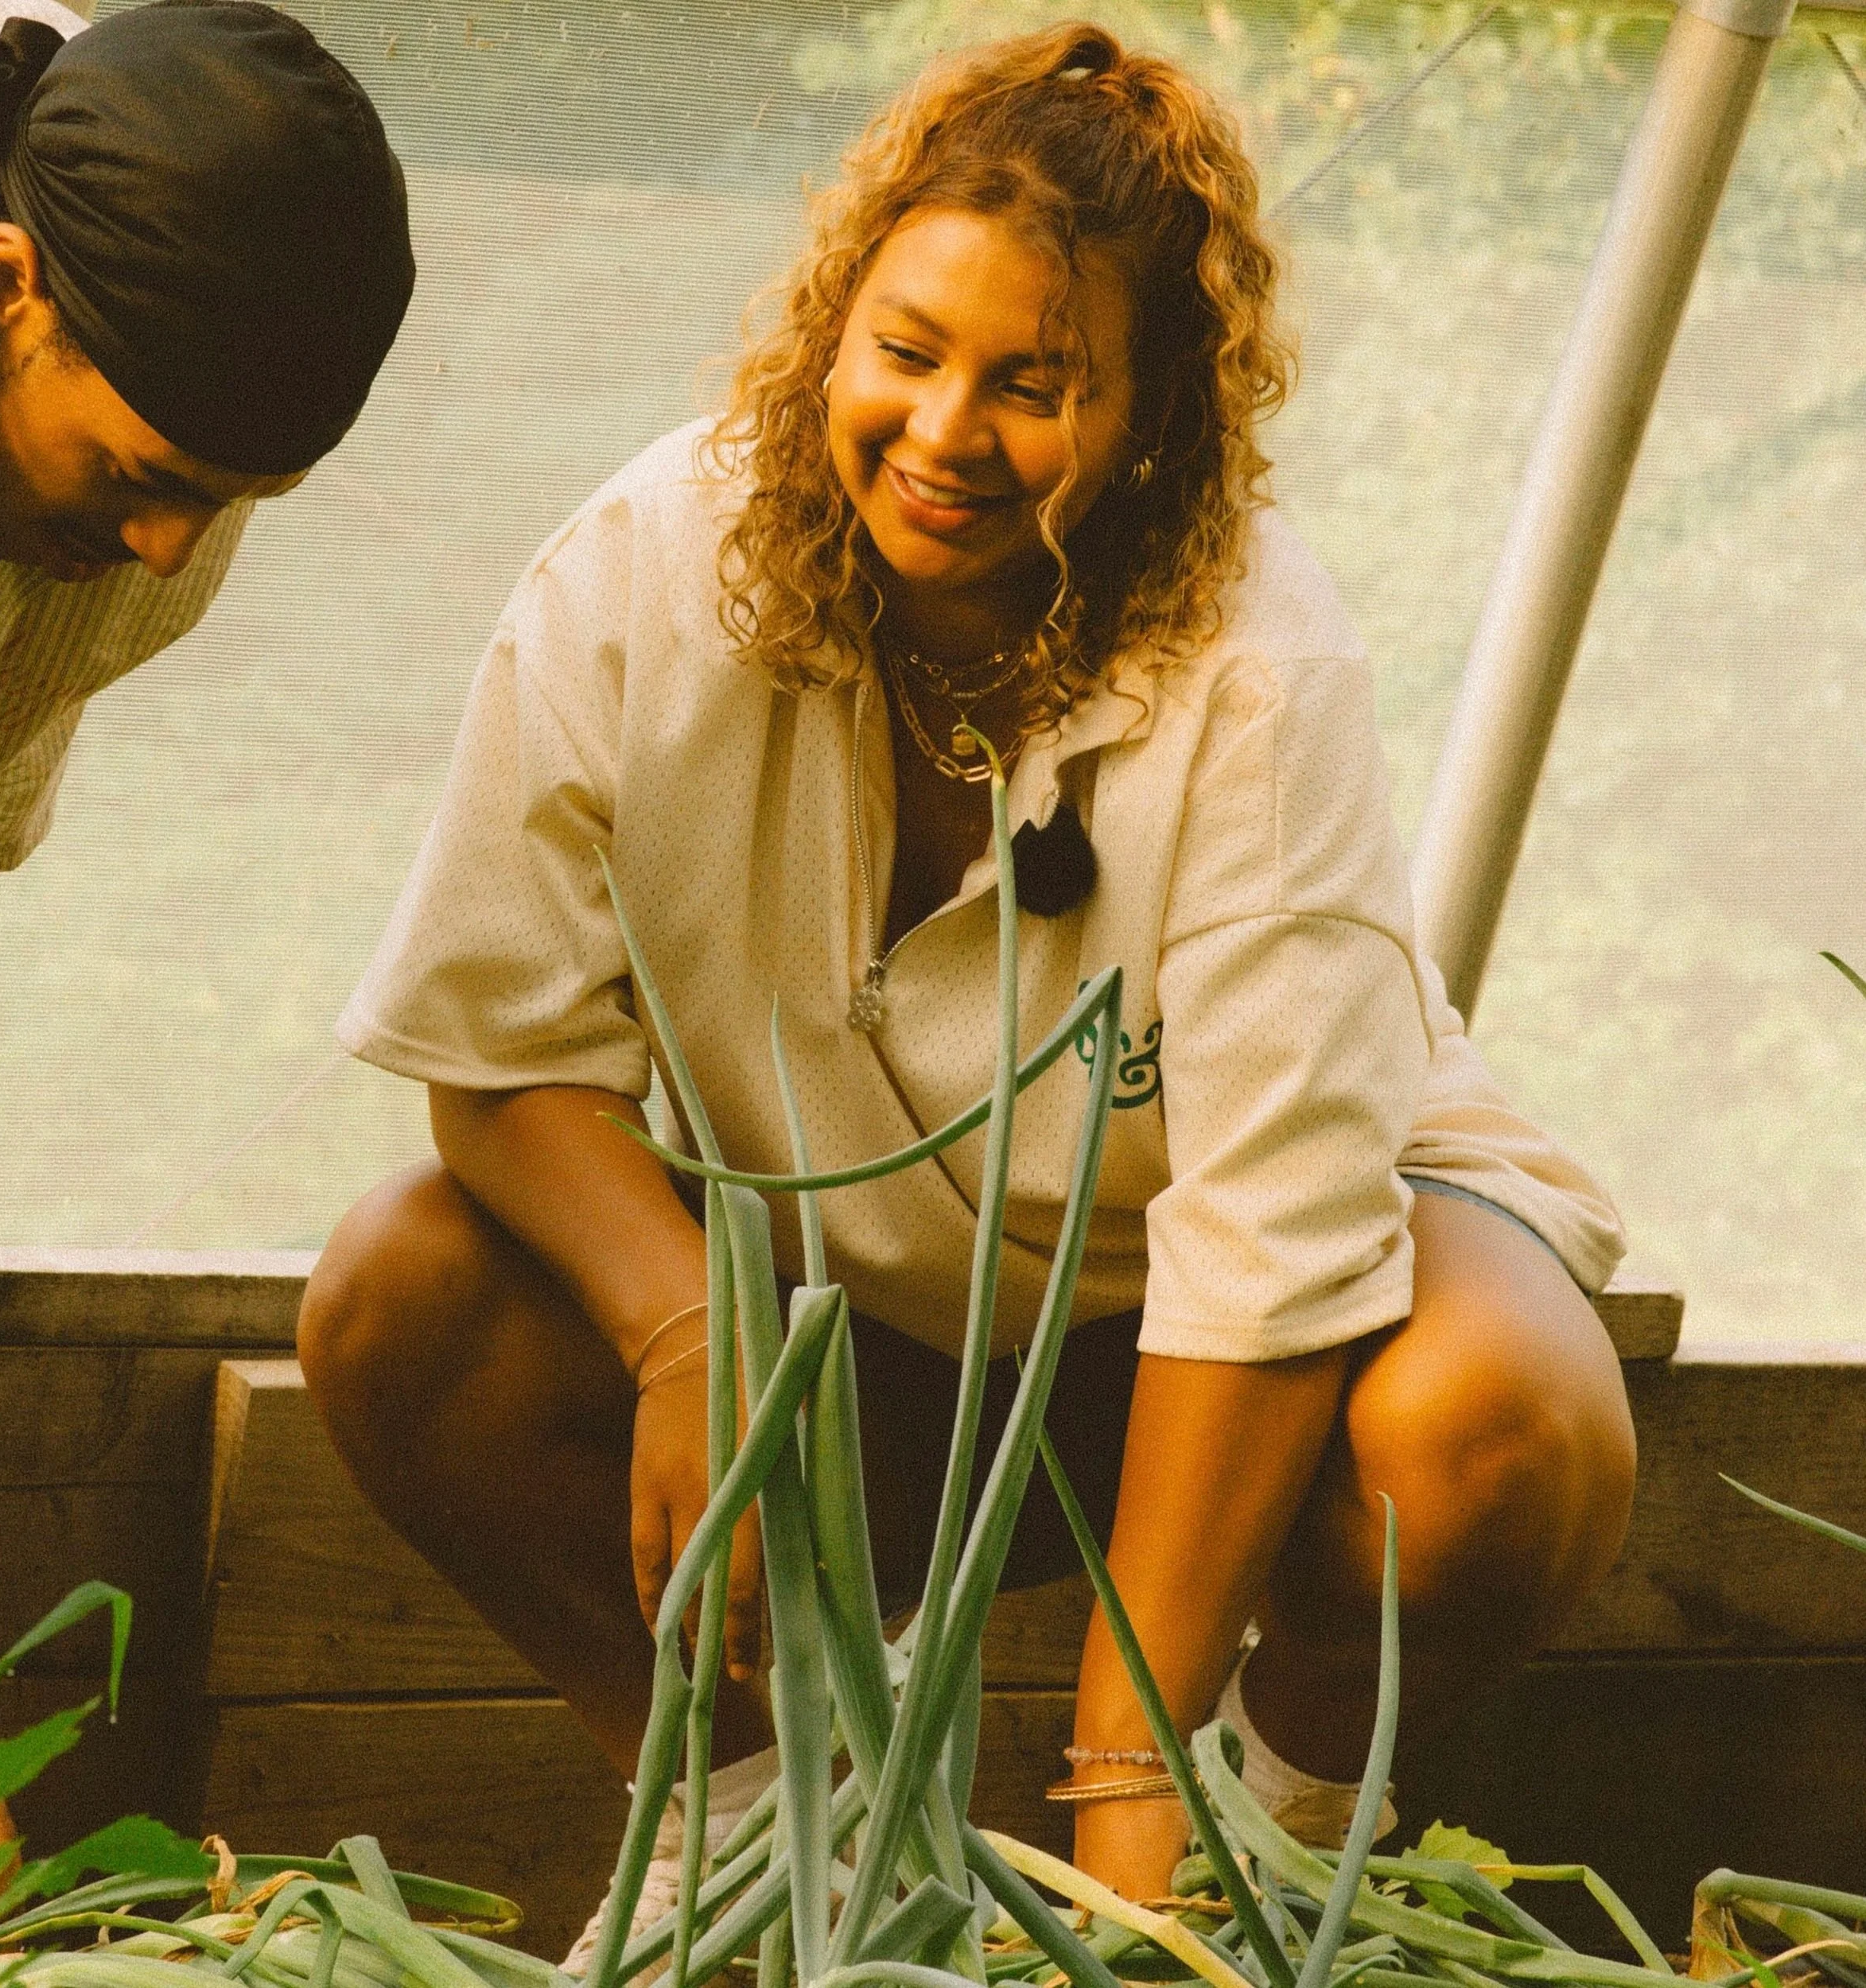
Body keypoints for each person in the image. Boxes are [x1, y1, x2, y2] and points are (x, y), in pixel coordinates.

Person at [298, 17, 1637, 1943]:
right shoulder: (644, 569)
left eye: (1033, 383)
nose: (942, 432)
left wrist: (1119, 1830)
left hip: (1256, 1316)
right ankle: (754, 1824)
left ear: (1155, 411)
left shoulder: (1256, 666)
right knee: (400, 1295)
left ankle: (1259, 1848)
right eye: (905, 351)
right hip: (858, 1331)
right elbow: (498, 1045)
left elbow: (1271, 1232)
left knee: (1491, 1422)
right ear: (834, 324)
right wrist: (692, 1337)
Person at [0, 0, 414, 1835]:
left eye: (230, 501)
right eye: (145, 480)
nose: (175, 547)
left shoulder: (123, 453)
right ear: (5, 286)